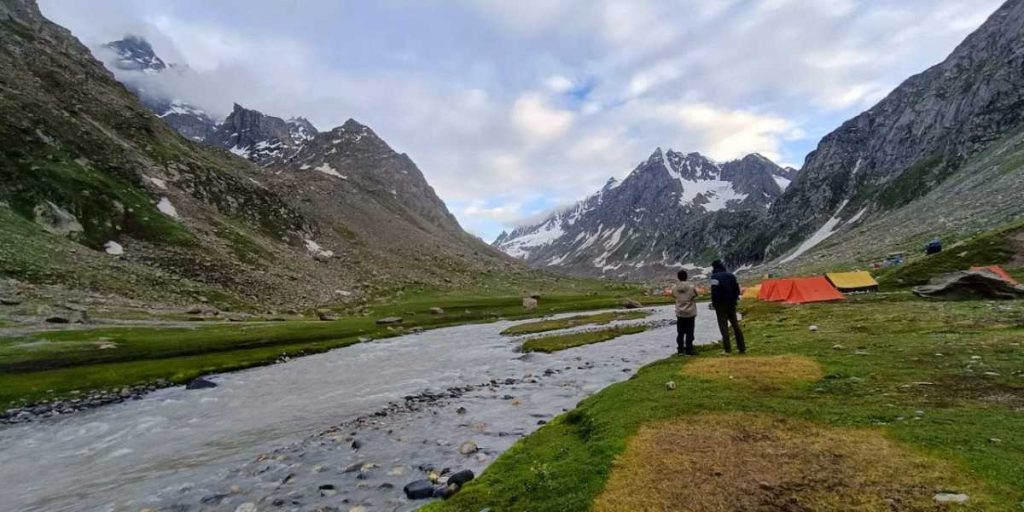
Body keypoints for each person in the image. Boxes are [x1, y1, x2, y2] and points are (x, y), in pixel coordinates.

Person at [709, 260, 745, 354]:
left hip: (720, 305)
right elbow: (737, 289)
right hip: (731, 304)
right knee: (735, 325)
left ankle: (727, 349)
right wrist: (734, 299)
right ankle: (741, 348)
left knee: (723, 326)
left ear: (714, 268)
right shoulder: (731, 276)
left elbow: (714, 292)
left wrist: (714, 303)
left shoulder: (714, 277)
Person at [672, 269, 698, 356]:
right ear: (686, 277)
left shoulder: (674, 288)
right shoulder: (691, 287)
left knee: (680, 332)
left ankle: (680, 350)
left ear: (678, 277)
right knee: (690, 332)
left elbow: (673, 295)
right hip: (690, 312)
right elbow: (695, 295)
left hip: (679, 313)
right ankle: (689, 349)